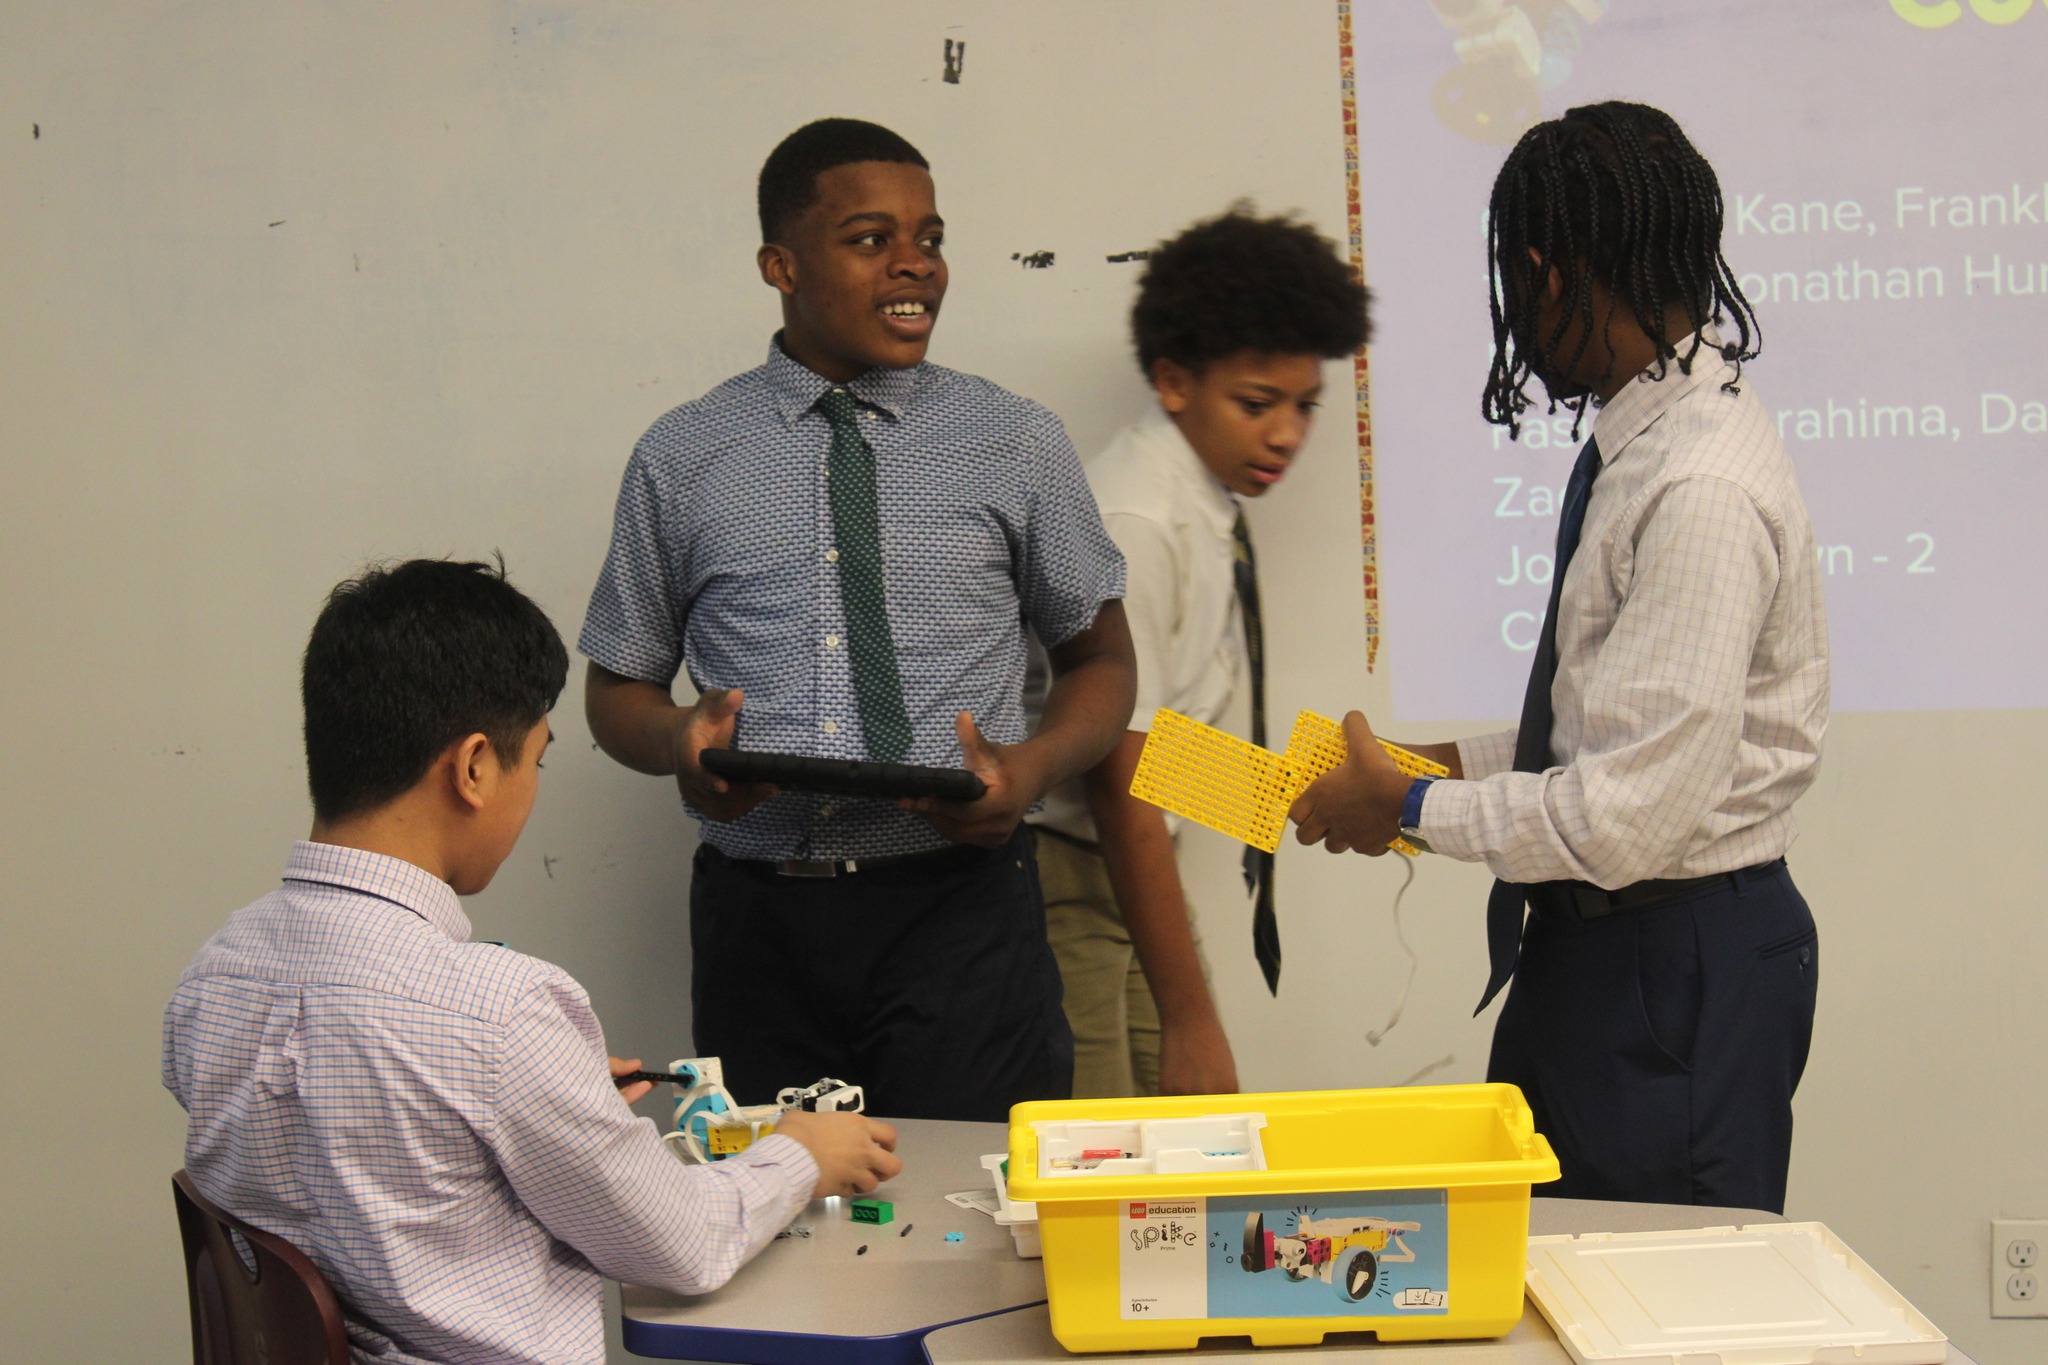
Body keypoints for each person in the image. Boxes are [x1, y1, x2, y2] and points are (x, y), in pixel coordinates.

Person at [163, 559, 901, 1365]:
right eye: (537, 759)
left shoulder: (217, 971)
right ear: (475, 766)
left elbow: (338, 1154)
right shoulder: (499, 1011)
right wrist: (801, 1152)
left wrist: (551, 1098)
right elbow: (683, 1247)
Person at [1291, 102, 1826, 1212]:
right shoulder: (1651, 440)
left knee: (1650, 1306)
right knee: (1554, 1281)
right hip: (1607, 952)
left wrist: (1400, 809)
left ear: (1548, 271)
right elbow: (1598, 732)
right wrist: (1427, 762)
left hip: (1666, 966)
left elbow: (1622, 818)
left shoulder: (1697, 489)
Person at [580, 118, 1135, 1122]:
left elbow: (1099, 661)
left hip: (962, 914)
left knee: (977, 1232)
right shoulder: (683, 455)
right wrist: (677, 739)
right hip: (760, 926)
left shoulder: (1015, 442)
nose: (913, 265)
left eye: (929, 237)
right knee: (780, 1230)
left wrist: (1032, 769)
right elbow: (616, 687)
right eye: (871, 238)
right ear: (779, 264)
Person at [1029, 208, 1371, 1098]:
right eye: (1258, 404)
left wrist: (1327, 792)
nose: (1288, 434)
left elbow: (1156, 740)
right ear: (1175, 382)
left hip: (1125, 875)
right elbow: (1116, 778)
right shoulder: (1138, 519)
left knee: (1189, 1158)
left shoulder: (1197, 500)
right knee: (1101, 1180)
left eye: (1305, 406)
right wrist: (1193, 1019)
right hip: (1071, 881)